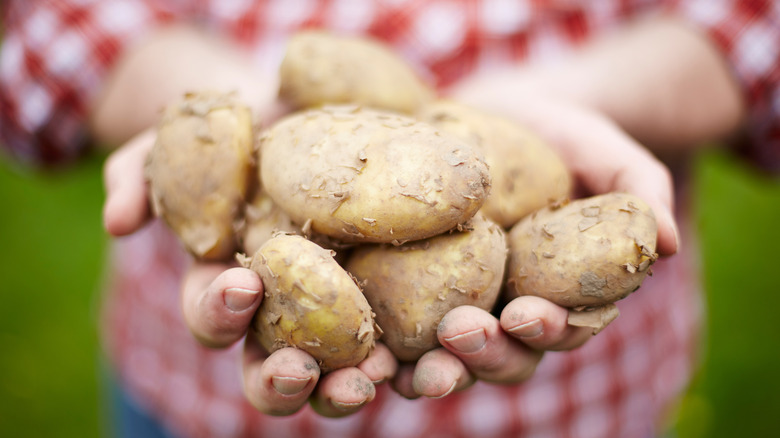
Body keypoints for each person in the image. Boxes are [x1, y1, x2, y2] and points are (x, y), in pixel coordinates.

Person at [1, 0, 777, 437]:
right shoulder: (282, 171)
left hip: (585, 410)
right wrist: (207, 107)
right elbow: (51, 18)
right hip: (196, 400)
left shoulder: (482, 193)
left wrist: (588, 95)